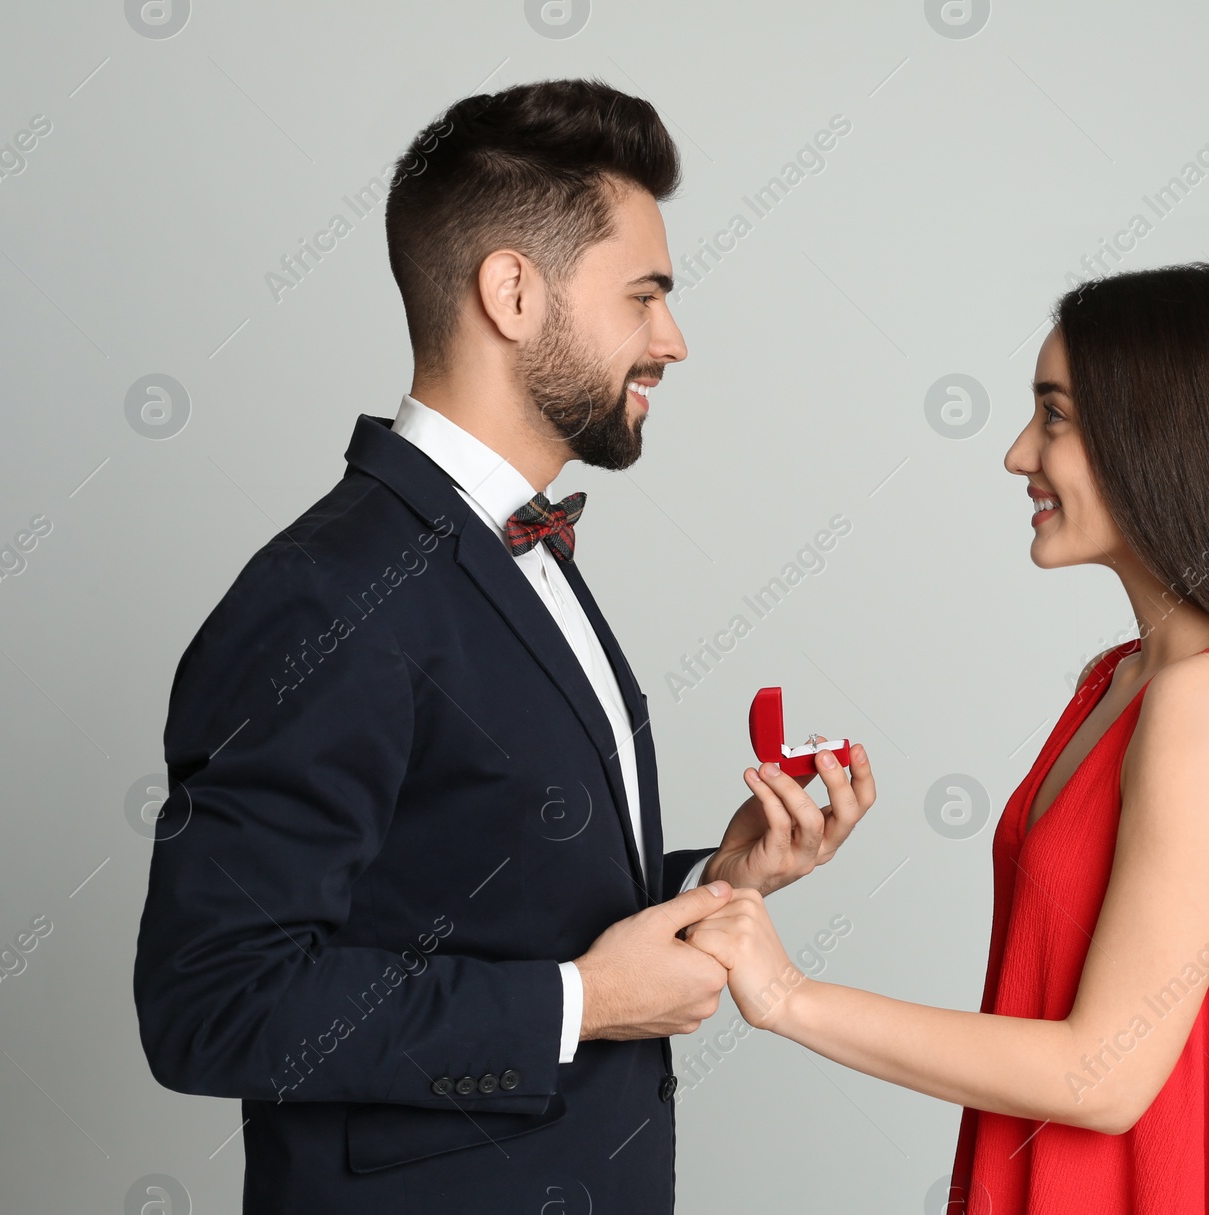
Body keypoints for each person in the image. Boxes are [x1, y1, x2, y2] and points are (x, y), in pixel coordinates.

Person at [130, 78, 874, 1214]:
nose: (672, 339)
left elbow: (484, 887)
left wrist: (718, 880)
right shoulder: (326, 593)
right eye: (644, 296)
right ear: (514, 293)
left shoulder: (511, 549)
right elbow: (214, 1003)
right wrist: (575, 1005)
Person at [685, 264, 1209, 1213]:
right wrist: (741, 871)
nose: (1019, 454)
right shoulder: (1121, 679)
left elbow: (1102, 1074)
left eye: (1054, 415)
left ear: (1163, 437)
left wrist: (788, 996)